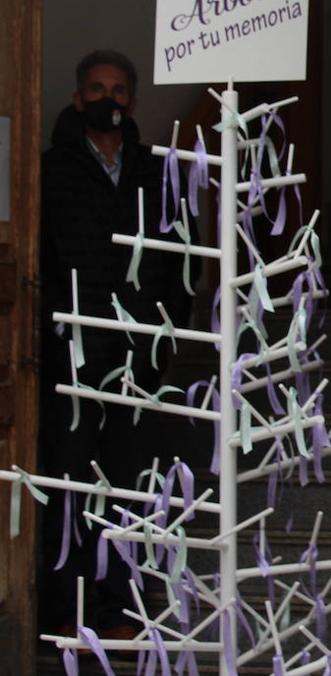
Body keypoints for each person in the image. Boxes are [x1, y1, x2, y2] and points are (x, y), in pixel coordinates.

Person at [39, 50, 194, 638]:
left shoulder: (157, 171)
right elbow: (39, 257)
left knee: (130, 487)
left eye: (120, 89)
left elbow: (183, 255)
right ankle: (65, 616)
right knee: (71, 486)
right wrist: (56, 325)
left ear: (132, 100)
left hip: (138, 359)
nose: (109, 98)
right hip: (72, 359)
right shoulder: (51, 170)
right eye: (97, 89)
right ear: (79, 98)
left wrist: (164, 330)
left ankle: (120, 611)